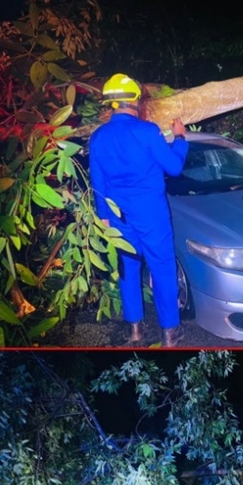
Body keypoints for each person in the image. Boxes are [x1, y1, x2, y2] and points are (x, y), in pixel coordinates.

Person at [89, 73, 190, 347]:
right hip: (152, 217)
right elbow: (174, 167)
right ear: (135, 99)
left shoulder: (97, 138)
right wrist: (180, 139)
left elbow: (97, 184)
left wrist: (104, 217)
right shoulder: (147, 131)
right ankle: (170, 333)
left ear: (111, 104)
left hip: (119, 218)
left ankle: (135, 330)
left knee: (127, 270)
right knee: (163, 269)